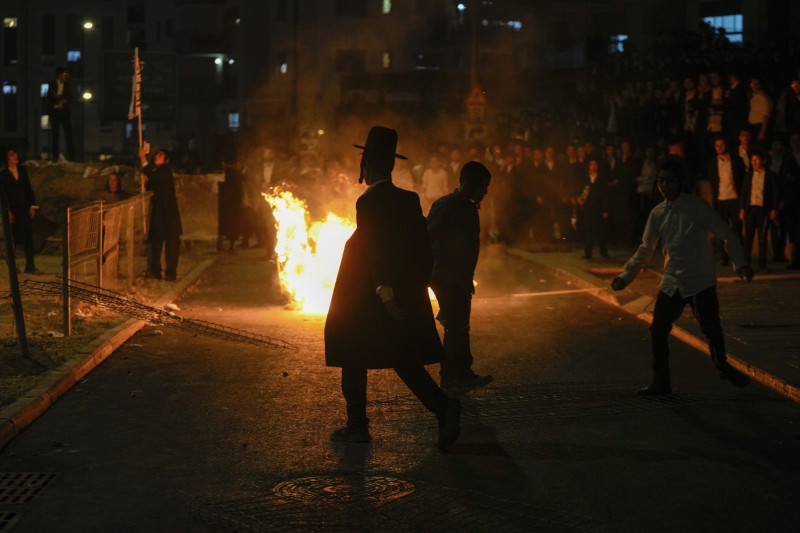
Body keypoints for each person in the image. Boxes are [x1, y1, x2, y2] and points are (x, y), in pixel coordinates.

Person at [324, 126, 461, 450]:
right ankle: (443, 407)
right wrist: (418, 287)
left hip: (369, 295)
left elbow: (375, 250)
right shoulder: (409, 199)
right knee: (401, 356)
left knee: (352, 349)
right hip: (395, 292)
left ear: (367, 164)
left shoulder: (369, 202)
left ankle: (359, 424)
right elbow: (422, 247)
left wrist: (385, 291)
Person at [611, 155, 753, 395]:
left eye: (670, 181)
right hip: (672, 281)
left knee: (711, 329)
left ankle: (723, 367)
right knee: (658, 329)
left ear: (680, 182)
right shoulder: (657, 213)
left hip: (700, 280)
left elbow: (726, 233)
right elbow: (646, 248)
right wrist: (625, 276)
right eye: (661, 181)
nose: (665, 186)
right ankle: (661, 382)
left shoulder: (697, 207)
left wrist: (740, 263)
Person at [427, 161, 493, 395]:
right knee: (456, 327)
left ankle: (459, 375)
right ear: (471, 184)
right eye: (483, 186)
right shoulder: (446, 205)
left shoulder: (469, 208)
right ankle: (454, 378)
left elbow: (469, 247)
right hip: (445, 277)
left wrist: (467, 279)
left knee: (458, 327)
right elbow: (428, 237)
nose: (485, 192)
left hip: (460, 278)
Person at [139, 148, 182, 281]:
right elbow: (152, 182)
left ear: (166, 160)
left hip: (169, 215)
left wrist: (143, 160)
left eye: (160, 156)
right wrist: (144, 184)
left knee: (171, 246)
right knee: (156, 244)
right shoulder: (159, 172)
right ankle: (156, 271)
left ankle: (170, 273)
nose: (157, 157)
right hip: (160, 215)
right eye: (157, 155)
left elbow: (153, 176)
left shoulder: (165, 171)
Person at [0, 148, 39, 273]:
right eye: (12, 155)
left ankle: (30, 266)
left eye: (15, 154)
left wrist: (32, 206)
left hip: (24, 210)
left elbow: (29, 189)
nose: (15, 156)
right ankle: (13, 267)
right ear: (6, 159)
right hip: (12, 212)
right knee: (13, 240)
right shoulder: (3, 175)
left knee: (28, 238)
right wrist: (7, 211)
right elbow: (2, 195)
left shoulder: (22, 170)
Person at [739, 148, 779, 270]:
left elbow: (775, 193)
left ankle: (762, 262)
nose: (754, 162)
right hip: (750, 209)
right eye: (752, 160)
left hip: (763, 210)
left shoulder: (770, 175)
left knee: (762, 237)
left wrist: (774, 209)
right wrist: (742, 208)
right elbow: (744, 192)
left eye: (757, 160)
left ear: (764, 161)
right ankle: (746, 262)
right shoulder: (748, 175)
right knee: (748, 237)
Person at [46, 67, 75, 161]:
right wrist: (57, 102)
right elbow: (50, 96)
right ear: (59, 75)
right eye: (64, 74)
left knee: (69, 134)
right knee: (55, 134)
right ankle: (55, 156)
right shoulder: (52, 84)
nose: (66, 76)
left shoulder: (68, 85)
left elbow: (70, 96)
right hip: (55, 112)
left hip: (65, 112)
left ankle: (71, 156)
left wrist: (62, 101)